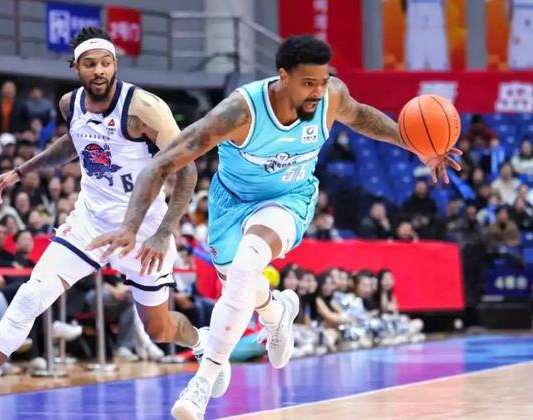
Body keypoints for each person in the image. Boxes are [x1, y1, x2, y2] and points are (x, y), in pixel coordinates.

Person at [89, 35, 461, 419]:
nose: (318, 92)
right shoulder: (239, 112)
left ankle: (202, 381)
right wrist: (133, 225)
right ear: (283, 77)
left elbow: (362, 116)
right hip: (231, 203)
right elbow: (161, 163)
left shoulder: (330, 97)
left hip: (289, 198)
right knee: (242, 284)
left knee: (247, 265)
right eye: (308, 83)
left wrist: (417, 145)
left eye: (322, 81)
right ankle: (275, 310)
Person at [0, 26, 229, 420]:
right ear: (76, 67)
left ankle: (201, 342)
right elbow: (74, 143)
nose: (99, 70)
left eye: (106, 63)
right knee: (31, 295)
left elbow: (187, 169)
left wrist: (163, 233)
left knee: (158, 330)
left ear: (115, 65)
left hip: (144, 230)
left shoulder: (143, 108)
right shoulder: (69, 104)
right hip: (90, 221)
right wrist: (20, 171)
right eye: (90, 64)